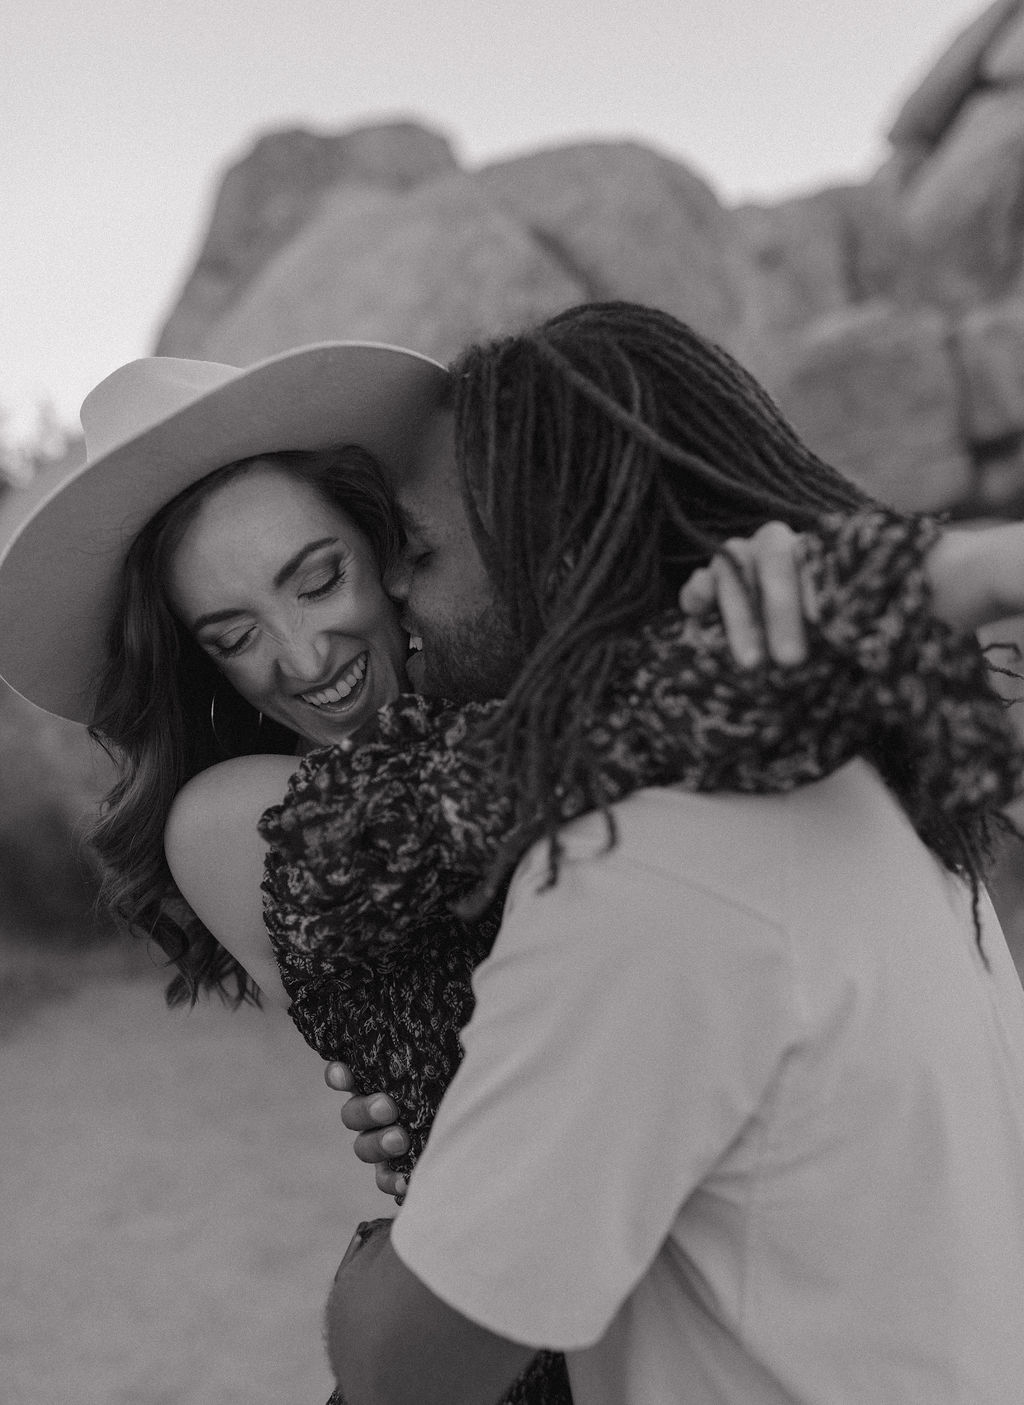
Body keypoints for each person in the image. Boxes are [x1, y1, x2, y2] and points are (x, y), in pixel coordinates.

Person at [1, 304, 1023, 1404]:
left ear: (386, 553)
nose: (301, 656)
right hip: (517, 1338)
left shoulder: (685, 799)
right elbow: (538, 755)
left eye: (319, 576)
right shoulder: (230, 818)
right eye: (233, 636)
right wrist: (874, 597)